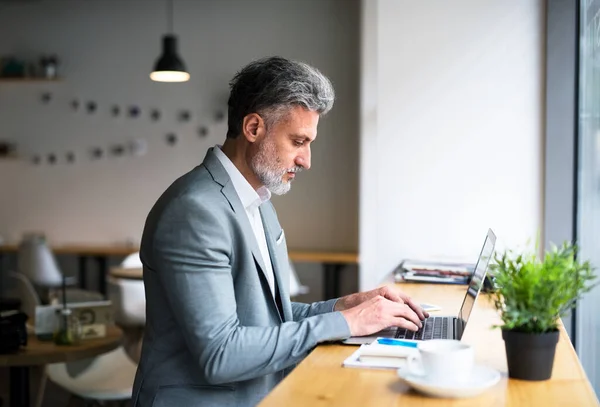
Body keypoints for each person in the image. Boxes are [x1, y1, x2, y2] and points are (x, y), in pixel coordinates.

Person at [131, 56, 428, 407]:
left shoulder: (258, 201)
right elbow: (221, 354)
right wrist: (346, 323)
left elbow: (266, 319)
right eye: (298, 141)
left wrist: (343, 308)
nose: (307, 160)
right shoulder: (194, 212)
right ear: (254, 128)